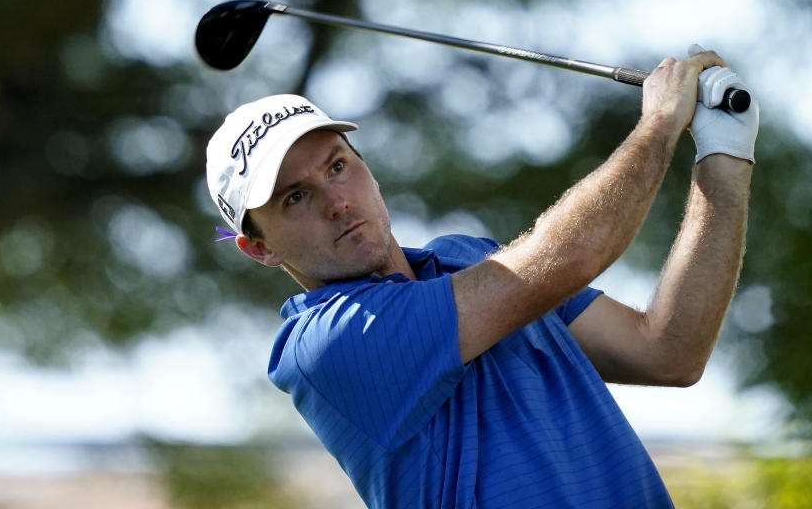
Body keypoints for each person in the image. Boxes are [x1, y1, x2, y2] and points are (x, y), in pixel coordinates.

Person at [204, 46, 759, 508]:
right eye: (296, 197)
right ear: (260, 249)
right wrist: (660, 123)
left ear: (366, 167)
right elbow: (564, 258)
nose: (335, 202)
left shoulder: (468, 258)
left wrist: (724, 154)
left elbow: (668, 351)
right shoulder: (327, 348)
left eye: (338, 166)